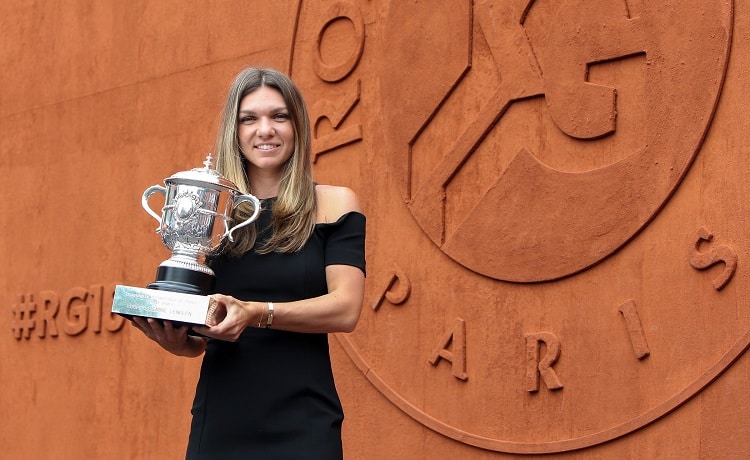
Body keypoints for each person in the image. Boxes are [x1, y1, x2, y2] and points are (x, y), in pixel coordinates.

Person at [132, 67, 366, 459]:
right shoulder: (217, 213)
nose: (265, 130)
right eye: (249, 119)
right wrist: (179, 341)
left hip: (304, 421)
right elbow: (206, 330)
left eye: (279, 116)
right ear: (235, 131)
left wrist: (256, 312)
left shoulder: (334, 204)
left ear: (297, 126)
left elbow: (346, 308)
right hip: (221, 419)